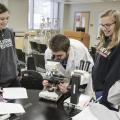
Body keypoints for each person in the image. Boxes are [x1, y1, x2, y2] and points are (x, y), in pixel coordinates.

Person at [92, 10, 120, 110]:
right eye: (102, 25)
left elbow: (114, 74)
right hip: (97, 89)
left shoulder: (118, 45)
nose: (104, 28)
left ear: (117, 24)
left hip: (106, 94)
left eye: (108, 25)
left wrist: (105, 98)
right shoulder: (106, 40)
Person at [0, 3, 21, 88]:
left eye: (7, 18)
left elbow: (14, 52)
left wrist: (18, 69)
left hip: (13, 80)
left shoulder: (9, 32)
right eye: (2, 19)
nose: (5, 21)